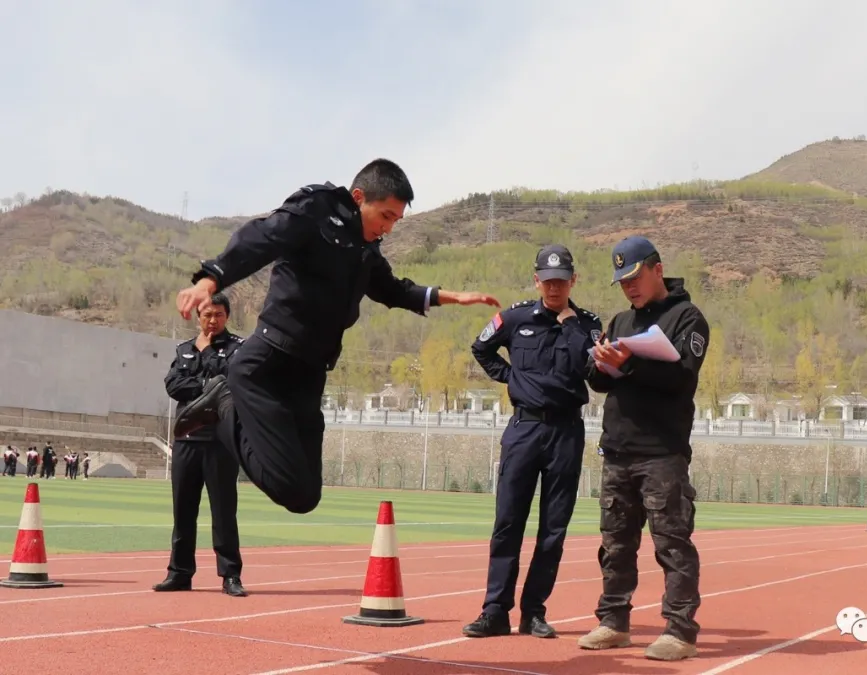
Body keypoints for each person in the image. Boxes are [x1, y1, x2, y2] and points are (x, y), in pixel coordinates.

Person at [171, 159, 499, 515]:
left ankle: (224, 408)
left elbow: (392, 290)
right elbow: (261, 238)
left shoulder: (366, 249)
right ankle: (223, 406)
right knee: (283, 482)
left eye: (396, 221)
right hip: (268, 364)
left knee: (304, 496)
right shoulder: (317, 209)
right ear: (359, 197)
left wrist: (451, 296)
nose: (388, 228)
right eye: (385, 216)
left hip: (311, 373)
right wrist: (211, 278)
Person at [576, 235, 710, 662]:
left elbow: (682, 378)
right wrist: (598, 362)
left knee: (672, 542)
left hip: (662, 452)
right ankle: (614, 621)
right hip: (617, 449)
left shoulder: (687, 318)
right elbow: (599, 382)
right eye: (622, 281)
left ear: (656, 269)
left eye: (634, 277)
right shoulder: (619, 322)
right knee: (615, 543)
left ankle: (680, 629)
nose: (629, 287)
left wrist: (629, 364)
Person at [463, 245, 603, 640]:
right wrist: (511, 379)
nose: (554, 287)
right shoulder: (515, 317)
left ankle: (534, 612)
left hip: (566, 433)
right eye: (548, 280)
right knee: (508, 522)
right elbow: (481, 348)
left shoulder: (588, 325)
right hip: (524, 430)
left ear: (573, 280)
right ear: (536, 279)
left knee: (553, 529)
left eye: (562, 280)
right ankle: (494, 611)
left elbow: (593, 371)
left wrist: (572, 325)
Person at [155, 292, 247, 597]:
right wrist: (206, 384)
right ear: (198, 317)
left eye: (218, 315)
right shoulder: (183, 350)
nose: (212, 320)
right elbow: (173, 385)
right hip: (186, 441)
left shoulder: (238, 349)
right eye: (207, 315)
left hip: (220, 442)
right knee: (183, 512)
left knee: (223, 512)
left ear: (227, 317)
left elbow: (228, 384)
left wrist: (207, 356)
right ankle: (179, 573)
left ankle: (230, 575)